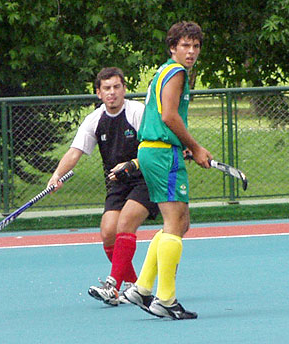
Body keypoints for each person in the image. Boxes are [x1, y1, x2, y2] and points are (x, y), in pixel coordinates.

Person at [123, 21, 212, 320]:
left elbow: (164, 119)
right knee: (175, 222)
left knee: (180, 221)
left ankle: (143, 288)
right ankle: (165, 299)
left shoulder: (163, 70)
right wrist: (196, 147)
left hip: (156, 150)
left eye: (196, 46)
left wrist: (181, 145)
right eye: (185, 46)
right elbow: (170, 115)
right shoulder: (177, 73)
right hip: (161, 153)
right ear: (173, 47)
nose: (191, 52)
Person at [47, 67, 159, 306]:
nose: (112, 93)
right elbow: (75, 152)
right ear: (98, 93)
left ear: (124, 89)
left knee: (125, 223)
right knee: (108, 233)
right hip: (116, 184)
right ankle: (135, 287)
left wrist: (132, 164)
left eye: (117, 87)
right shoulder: (95, 119)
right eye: (106, 88)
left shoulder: (138, 112)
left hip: (146, 178)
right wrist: (57, 175)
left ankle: (112, 287)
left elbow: (156, 147)